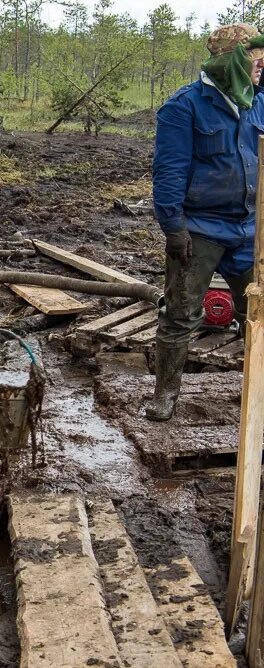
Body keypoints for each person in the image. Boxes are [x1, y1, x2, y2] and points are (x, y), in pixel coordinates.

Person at [148, 23, 264, 421]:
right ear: (229, 62)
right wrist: (174, 227)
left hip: (250, 229)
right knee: (181, 313)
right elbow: (169, 172)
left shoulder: (256, 102)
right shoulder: (183, 107)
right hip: (200, 231)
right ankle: (165, 395)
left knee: (258, 311)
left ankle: (257, 390)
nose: (260, 67)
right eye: (253, 60)